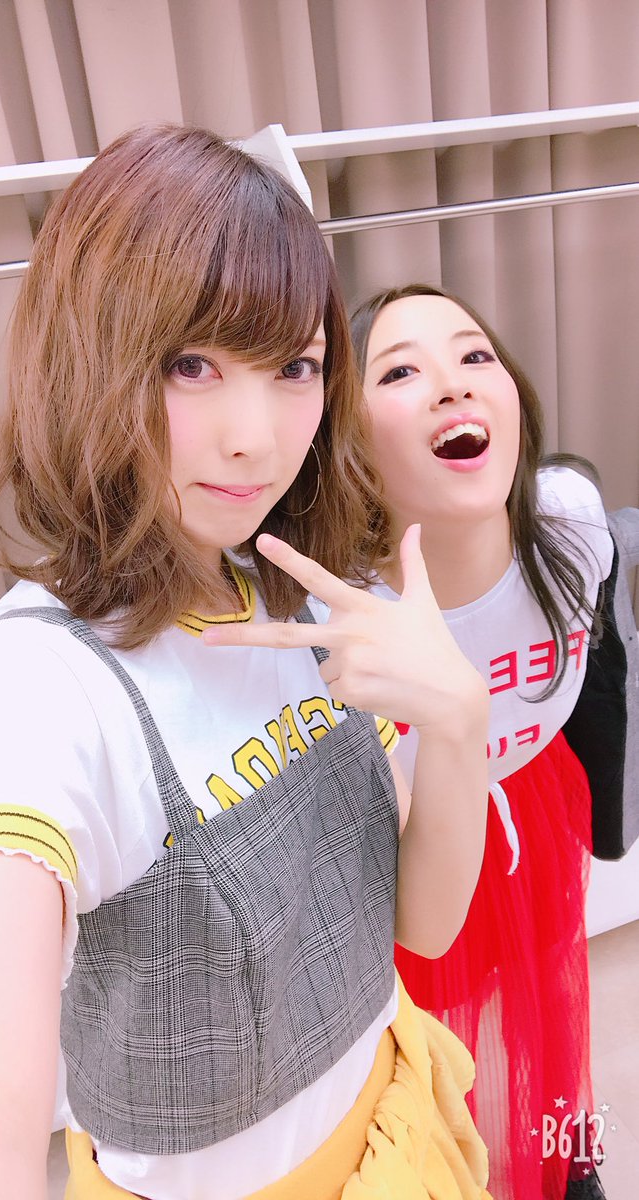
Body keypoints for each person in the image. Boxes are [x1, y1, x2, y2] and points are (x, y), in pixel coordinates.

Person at [0, 129, 493, 1200]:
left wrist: (459, 721)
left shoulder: (303, 589)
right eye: (191, 364)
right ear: (88, 356)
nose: (256, 437)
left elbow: (421, 926)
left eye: (294, 367)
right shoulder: (37, 688)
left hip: (403, 1133)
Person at [351, 283, 616, 1200]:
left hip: (534, 803)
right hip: (402, 846)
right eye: (399, 372)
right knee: (420, 1052)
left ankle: (563, 1162)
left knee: (547, 1008)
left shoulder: (572, 525)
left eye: (474, 356)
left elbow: (601, 661)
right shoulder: (333, 611)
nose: (452, 384)